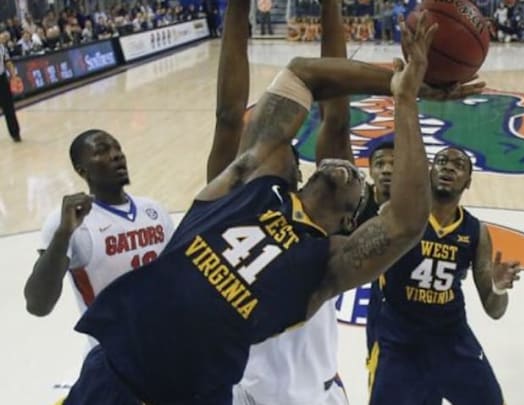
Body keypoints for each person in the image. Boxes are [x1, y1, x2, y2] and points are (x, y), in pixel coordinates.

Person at [62, 6, 485, 404]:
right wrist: (396, 80)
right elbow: (295, 80)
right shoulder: (243, 193)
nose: (347, 167)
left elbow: (406, 219)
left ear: (350, 219)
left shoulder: (323, 265)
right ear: (294, 178)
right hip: (112, 372)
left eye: (358, 177)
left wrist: (407, 101)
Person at [234, 0, 353, 402]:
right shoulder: (235, 206)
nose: (272, 143)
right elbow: (227, 115)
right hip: (248, 391)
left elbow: (336, 114)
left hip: (318, 393)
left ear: (300, 173)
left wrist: (330, 6)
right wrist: (237, 11)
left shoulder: (325, 215)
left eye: (282, 145)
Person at [367, 146, 522, 405]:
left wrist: (498, 287)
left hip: (451, 339)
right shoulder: (400, 214)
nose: (448, 167)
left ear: (468, 182)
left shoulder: (475, 231)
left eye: (458, 165)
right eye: (441, 161)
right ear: (429, 172)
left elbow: (495, 310)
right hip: (400, 341)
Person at [24, 129, 174, 320]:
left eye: (118, 148)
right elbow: (38, 305)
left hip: (167, 340)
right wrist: (63, 234)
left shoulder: (154, 210)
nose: (116, 155)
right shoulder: (68, 220)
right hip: (112, 346)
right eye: (102, 151)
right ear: (82, 170)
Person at [0, 31, 20, 142]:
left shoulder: (2, 47)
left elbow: (8, 62)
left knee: (9, 108)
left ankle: (15, 133)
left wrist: (14, 76)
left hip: (1, 79)